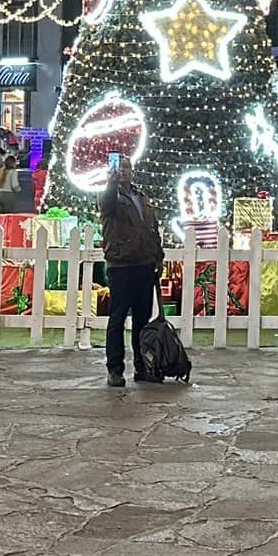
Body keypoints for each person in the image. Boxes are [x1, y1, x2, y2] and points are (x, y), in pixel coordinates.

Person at [98, 157, 162, 387]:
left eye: (126, 168)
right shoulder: (110, 196)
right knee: (118, 319)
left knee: (142, 320)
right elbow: (106, 205)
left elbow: (152, 228)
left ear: (132, 172)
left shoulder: (141, 197)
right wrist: (111, 183)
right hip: (121, 265)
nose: (123, 171)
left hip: (144, 264)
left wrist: (158, 256)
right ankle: (115, 369)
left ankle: (141, 365)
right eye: (119, 167)